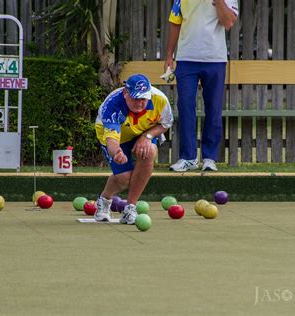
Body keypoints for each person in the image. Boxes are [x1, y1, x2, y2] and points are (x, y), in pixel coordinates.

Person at [164, 0, 238, 172]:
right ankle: (188, 157)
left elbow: (228, 22)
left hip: (215, 59)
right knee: (185, 107)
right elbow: (175, 21)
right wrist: (169, 55)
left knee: (213, 108)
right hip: (185, 58)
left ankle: (209, 158)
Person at [94, 74, 173, 224]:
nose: (140, 102)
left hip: (143, 131)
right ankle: (104, 199)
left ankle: (130, 208)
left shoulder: (159, 100)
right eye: (136, 98)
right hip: (118, 138)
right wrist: (117, 152)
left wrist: (147, 137)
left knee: (149, 151)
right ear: (125, 93)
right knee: (124, 179)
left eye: (144, 98)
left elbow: (165, 124)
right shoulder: (112, 106)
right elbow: (112, 140)